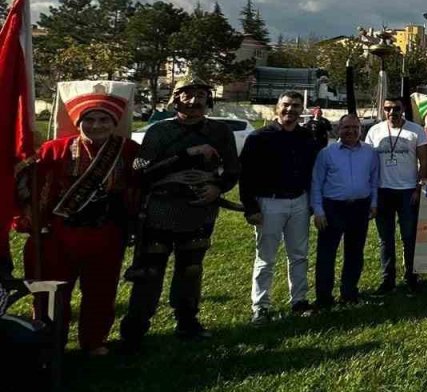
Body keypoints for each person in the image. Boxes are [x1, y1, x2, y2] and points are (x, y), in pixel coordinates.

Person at [120, 76, 239, 349]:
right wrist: (188, 154)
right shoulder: (159, 132)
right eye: (187, 94)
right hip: (161, 209)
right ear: (176, 98)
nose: (194, 100)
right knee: (150, 271)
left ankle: (187, 322)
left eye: (200, 95)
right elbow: (141, 171)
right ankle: (136, 326)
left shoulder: (220, 132)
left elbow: (232, 170)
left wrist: (217, 188)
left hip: (198, 211)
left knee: (191, 270)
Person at [22, 85, 138, 354]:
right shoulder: (54, 149)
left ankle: (93, 340)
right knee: (52, 293)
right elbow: (35, 189)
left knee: (101, 290)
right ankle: (51, 341)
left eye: (104, 119)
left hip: (105, 233)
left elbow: (138, 186)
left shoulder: (128, 150)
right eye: (89, 119)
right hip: (59, 234)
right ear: (77, 121)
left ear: (114, 122)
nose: (96, 125)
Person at [240, 91, 321, 322]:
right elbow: (245, 176)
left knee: (299, 255)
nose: (290, 110)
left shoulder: (307, 138)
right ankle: (261, 305)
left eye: (296, 106)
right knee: (266, 257)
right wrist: (251, 207)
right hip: (269, 202)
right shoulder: (259, 137)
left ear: (301, 110)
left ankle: (299, 301)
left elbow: (313, 173)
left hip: (299, 202)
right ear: (277, 107)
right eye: (286, 105)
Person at [310, 115, 379, 307]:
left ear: (361, 130)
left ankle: (349, 293)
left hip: (360, 207)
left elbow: (374, 181)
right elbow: (317, 183)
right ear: (338, 129)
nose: (351, 131)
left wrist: (374, 203)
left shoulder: (370, 153)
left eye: (355, 128)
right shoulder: (327, 153)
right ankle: (324, 298)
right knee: (326, 254)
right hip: (333, 208)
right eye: (346, 127)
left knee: (355, 253)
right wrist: (318, 210)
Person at [366, 97, 427, 294]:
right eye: (388, 108)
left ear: (403, 109)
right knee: (385, 238)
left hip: (407, 191)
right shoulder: (374, 131)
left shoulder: (416, 131)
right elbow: (368, 163)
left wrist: (418, 188)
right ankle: (388, 279)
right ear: (383, 110)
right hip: (383, 191)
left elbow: (425, 161)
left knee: (409, 236)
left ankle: (412, 277)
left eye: (396, 108)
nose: (392, 112)